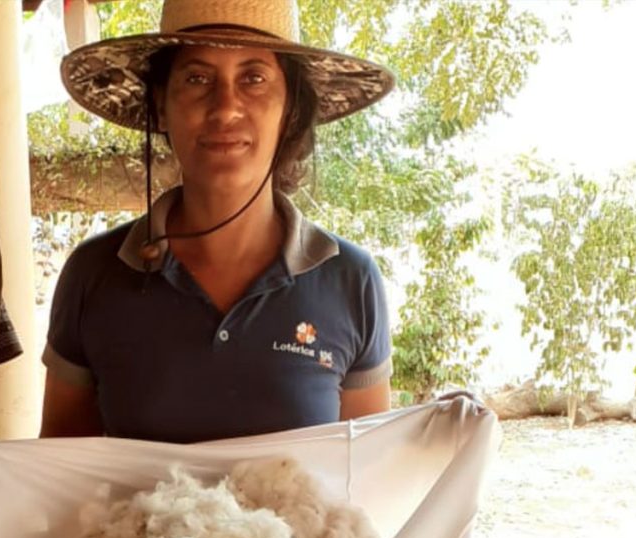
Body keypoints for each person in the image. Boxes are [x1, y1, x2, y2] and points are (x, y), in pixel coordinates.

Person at [41, 0, 396, 442]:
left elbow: (365, 475)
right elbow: (58, 475)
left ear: (291, 109)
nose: (225, 108)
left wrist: (447, 436)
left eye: (254, 78)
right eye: (196, 78)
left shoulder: (349, 280)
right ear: (161, 106)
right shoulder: (94, 274)